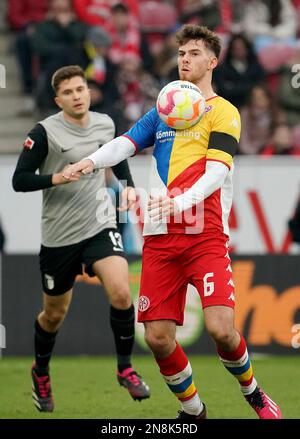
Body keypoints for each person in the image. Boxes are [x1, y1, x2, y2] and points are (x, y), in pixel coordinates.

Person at [64, 25, 282, 419]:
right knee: (158, 337)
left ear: (213, 61)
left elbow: (217, 172)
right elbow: (126, 143)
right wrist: (90, 161)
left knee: (221, 329)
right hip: (161, 237)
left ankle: (255, 395)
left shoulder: (224, 111)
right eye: (181, 52)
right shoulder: (165, 109)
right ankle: (193, 409)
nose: (185, 59)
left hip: (206, 236)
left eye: (194, 52)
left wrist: (181, 200)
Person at [12, 65, 150, 413]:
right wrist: (55, 179)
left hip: (99, 225)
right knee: (53, 314)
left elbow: (117, 156)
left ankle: (125, 368)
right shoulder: (44, 132)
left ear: (89, 91)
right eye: (69, 92)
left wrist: (129, 187)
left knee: (121, 291)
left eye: (80, 89)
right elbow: (20, 180)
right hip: (59, 236)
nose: (76, 96)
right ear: (58, 99)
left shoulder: (105, 123)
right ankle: (40, 372)